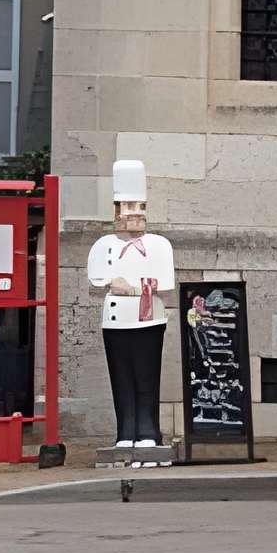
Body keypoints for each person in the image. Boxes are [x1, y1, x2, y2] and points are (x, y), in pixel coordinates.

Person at [85, 160, 177, 463]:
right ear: (115, 211)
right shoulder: (103, 245)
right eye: (126, 207)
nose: (133, 214)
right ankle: (125, 429)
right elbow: (94, 281)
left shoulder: (159, 245)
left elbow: (165, 283)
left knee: (146, 376)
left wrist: (134, 288)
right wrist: (114, 282)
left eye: (139, 207)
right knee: (121, 376)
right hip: (114, 322)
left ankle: (149, 430)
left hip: (149, 318)